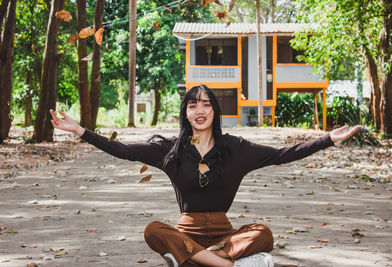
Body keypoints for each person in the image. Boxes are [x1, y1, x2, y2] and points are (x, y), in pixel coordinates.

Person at [50, 85, 361, 267]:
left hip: (224, 237)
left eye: (206, 104)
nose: (200, 110)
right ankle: (223, 265)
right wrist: (80, 131)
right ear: (186, 112)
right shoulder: (169, 150)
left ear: (215, 111)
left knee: (262, 233)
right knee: (153, 230)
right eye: (192, 104)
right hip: (186, 232)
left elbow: (283, 154)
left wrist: (328, 140)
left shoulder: (236, 149)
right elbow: (122, 149)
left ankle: (194, 261)